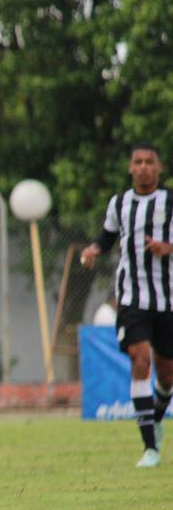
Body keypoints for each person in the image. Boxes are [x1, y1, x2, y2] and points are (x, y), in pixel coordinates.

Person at [80, 142, 173, 467]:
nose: (144, 167)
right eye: (138, 162)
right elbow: (106, 237)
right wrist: (93, 250)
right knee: (140, 359)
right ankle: (150, 447)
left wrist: (168, 247)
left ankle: (156, 419)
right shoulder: (120, 203)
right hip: (131, 297)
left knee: (167, 375)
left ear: (159, 168)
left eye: (150, 161)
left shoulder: (170, 202)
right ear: (130, 167)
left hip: (167, 299)